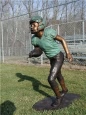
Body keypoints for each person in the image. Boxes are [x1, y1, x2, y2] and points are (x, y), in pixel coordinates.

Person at [29, 15, 73, 107]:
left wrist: (68, 53)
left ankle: (58, 97)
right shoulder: (34, 39)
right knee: (58, 74)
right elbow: (39, 51)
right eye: (31, 25)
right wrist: (33, 52)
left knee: (51, 78)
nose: (31, 27)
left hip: (58, 56)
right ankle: (64, 90)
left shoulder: (49, 32)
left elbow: (62, 40)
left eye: (34, 25)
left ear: (41, 24)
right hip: (51, 58)